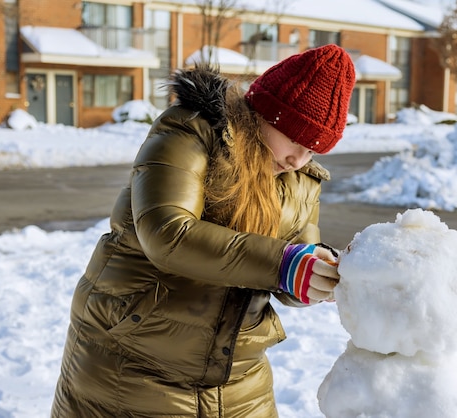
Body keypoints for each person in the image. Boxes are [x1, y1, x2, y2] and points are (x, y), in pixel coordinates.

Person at [51, 44, 356, 417]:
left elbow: (289, 268)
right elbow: (167, 233)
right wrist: (284, 265)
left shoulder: (300, 181)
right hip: (131, 365)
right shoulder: (190, 132)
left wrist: (314, 276)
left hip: (237, 379)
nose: (298, 159)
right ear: (265, 112)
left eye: (312, 150)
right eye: (294, 138)